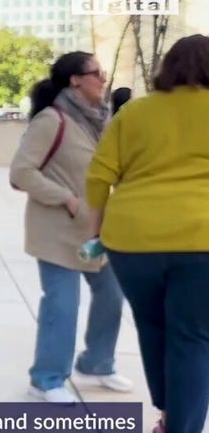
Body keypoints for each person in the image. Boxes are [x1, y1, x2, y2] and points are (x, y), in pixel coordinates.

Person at [86, 35, 209, 433]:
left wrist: (96, 233)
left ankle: (168, 414)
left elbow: (99, 175)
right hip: (202, 240)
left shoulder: (135, 112)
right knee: (192, 337)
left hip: (133, 240)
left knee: (152, 325)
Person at [9, 51, 132, 403]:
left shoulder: (99, 121)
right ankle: (46, 379)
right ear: (75, 80)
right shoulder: (52, 120)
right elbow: (21, 172)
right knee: (62, 305)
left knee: (112, 295)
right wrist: (67, 198)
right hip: (57, 231)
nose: (103, 79)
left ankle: (97, 362)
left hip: (97, 231)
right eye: (96, 73)